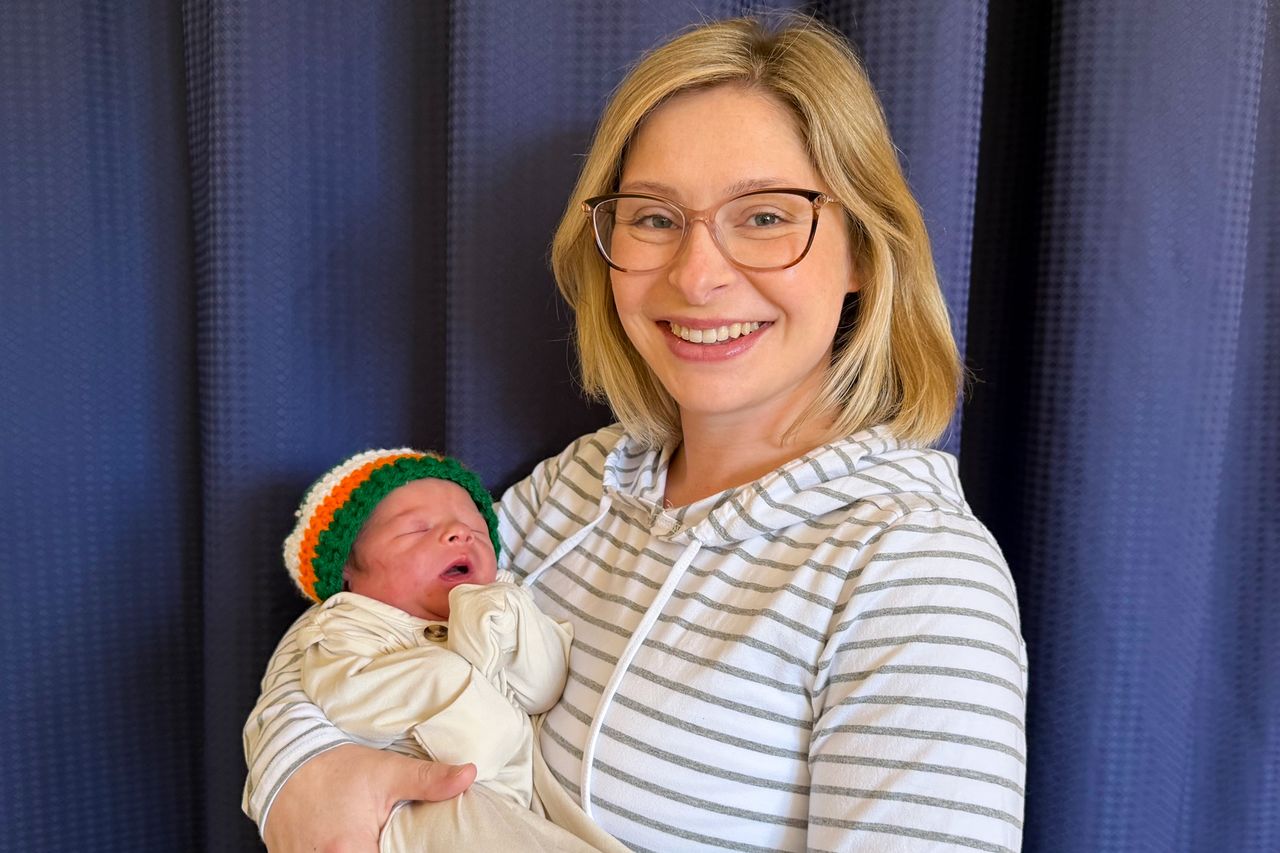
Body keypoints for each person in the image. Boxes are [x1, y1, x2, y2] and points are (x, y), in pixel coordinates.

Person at [244, 15, 1028, 853]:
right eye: (654, 217)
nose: (697, 275)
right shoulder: (575, 485)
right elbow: (349, 627)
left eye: (764, 216)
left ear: (866, 252)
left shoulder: (913, 573)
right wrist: (302, 773)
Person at [280, 448, 627, 852]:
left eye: (475, 528)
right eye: (417, 528)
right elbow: (475, 743)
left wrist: (504, 617)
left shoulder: (497, 602)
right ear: (347, 573)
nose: (459, 533)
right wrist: (448, 677)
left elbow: (544, 689)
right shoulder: (347, 632)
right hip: (417, 810)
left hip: (513, 805)